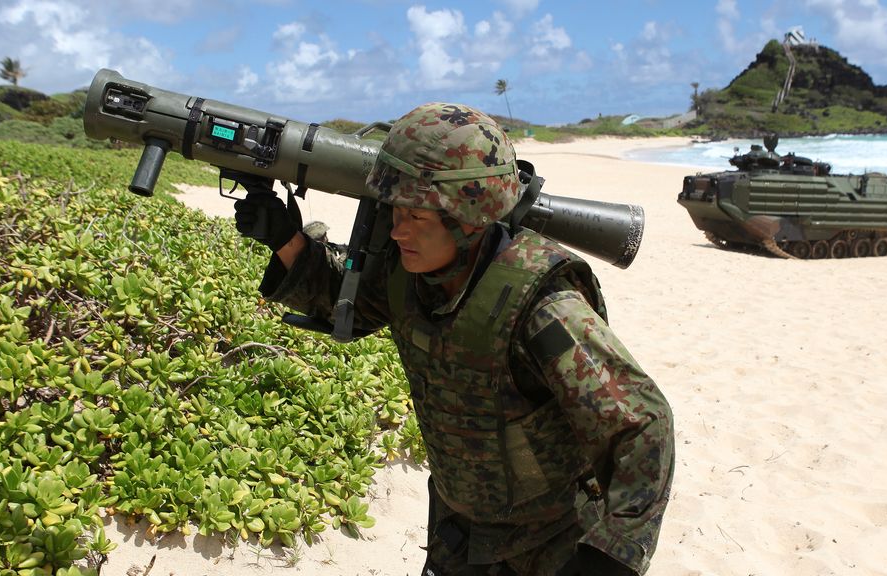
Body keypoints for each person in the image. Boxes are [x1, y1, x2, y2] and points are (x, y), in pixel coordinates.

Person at [233, 102, 675, 575]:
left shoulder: (542, 307)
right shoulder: (408, 274)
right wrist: (287, 240)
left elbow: (643, 426)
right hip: (458, 530)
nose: (399, 230)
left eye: (418, 216)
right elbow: (350, 309)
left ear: (469, 217)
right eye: (395, 210)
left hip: (547, 544)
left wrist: (610, 557)